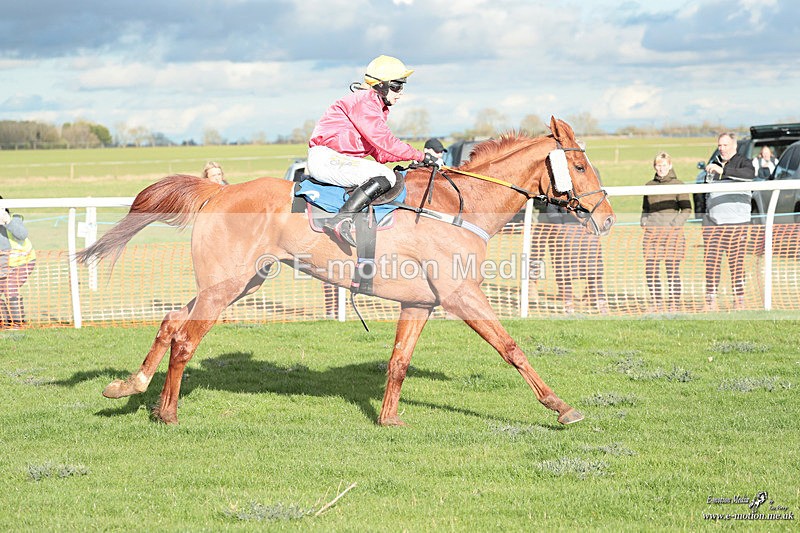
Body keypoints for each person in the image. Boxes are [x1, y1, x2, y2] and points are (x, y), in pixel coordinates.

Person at [307, 55, 442, 246]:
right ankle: (341, 220)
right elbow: (384, 140)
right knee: (386, 176)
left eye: (402, 86)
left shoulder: (373, 105)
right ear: (381, 85)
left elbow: (381, 153)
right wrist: (421, 155)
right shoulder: (365, 101)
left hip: (334, 159)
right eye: (396, 86)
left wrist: (414, 160)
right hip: (327, 159)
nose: (400, 93)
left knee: (386, 173)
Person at [695, 132, 756, 311]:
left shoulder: (744, 163)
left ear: (734, 146)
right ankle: (711, 301)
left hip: (737, 224)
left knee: (736, 263)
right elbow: (705, 192)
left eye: (725, 145)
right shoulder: (713, 164)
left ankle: (739, 300)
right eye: (720, 145)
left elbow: (749, 174)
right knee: (711, 263)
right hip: (713, 224)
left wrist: (723, 171)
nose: (722, 148)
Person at [640, 152, 692, 313]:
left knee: (672, 270)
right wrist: (644, 221)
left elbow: (686, 209)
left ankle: (674, 303)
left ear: (670, 165)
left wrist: (675, 225)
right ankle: (656, 302)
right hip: (652, 235)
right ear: (654, 166)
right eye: (658, 165)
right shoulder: (649, 185)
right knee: (651, 270)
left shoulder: (679, 184)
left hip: (672, 235)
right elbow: (645, 208)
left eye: (664, 165)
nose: (661, 168)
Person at [0, 199, 36, 328]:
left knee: (9, 286)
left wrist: (7, 221)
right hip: (4, 265)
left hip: (23, 262)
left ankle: (18, 323)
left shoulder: (15, 219)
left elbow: (22, 234)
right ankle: (4, 322)